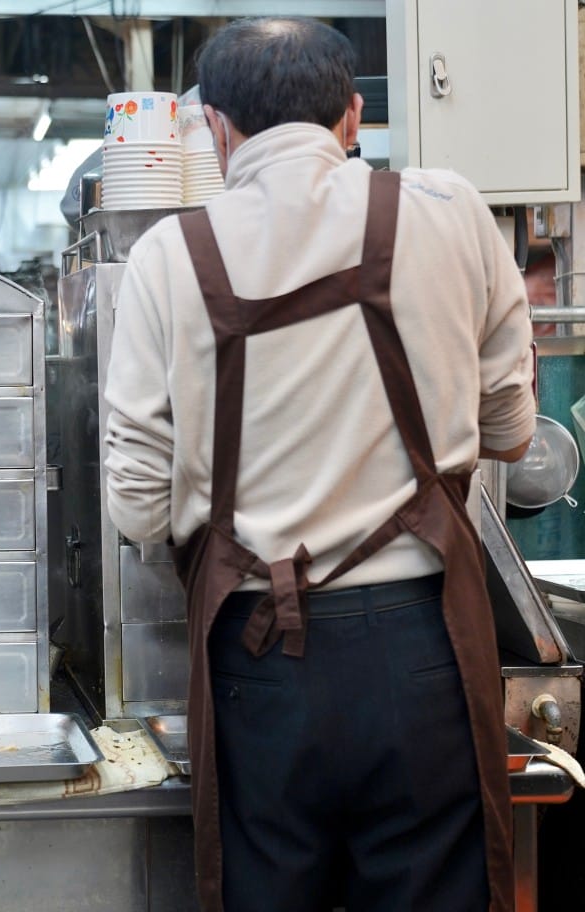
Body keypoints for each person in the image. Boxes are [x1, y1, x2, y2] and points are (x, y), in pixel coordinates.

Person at [103, 16, 535, 912]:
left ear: (215, 130)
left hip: (260, 664)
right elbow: (512, 429)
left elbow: (138, 509)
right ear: (352, 117)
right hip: (427, 653)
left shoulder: (165, 259)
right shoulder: (452, 212)